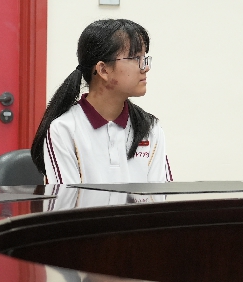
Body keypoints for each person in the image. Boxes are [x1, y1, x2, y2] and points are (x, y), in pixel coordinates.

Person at [30, 19, 172, 184]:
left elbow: (161, 195)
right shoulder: (64, 129)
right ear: (103, 70)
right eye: (135, 58)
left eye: (144, 58)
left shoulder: (151, 128)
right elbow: (67, 199)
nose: (145, 67)